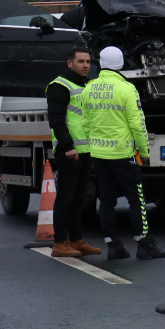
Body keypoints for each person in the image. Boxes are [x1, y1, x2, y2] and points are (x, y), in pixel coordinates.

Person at [82, 46, 165, 260]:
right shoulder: (127, 89)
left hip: (99, 154)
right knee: (136, 198)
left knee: (107, 199)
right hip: (123, 154)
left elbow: (85, 123)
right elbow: (138, 124)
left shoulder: (88, 89)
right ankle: (143, 242)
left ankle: (113, 245)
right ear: (120, 64)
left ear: (101, 63)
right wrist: (144, 151)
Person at [47, 46, 99, 259]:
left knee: (79, 197)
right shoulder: (59, 86)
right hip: (70, 151)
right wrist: (68, 147)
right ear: (70, 63)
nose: (86, 65)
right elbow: (57, 120)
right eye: (81, 62)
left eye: (88, 62)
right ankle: (60, 242)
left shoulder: (87, 85)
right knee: (65, 197)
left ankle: (76, 239)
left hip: (85, 150)